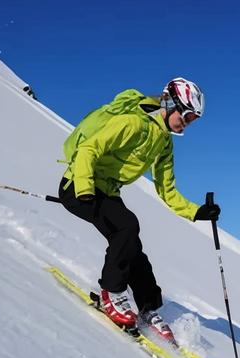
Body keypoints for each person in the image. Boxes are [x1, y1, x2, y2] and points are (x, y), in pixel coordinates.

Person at [57, 77, 220, 344]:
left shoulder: (164, 142)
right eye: (188, 116)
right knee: (127, 226)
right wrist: (84, 187)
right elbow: (89, 149)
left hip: (107, 192)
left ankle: (148, 307)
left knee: (131, 245)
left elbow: (166, 188)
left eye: (193, 120)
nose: (188, 123)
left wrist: (197, 212)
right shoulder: (132, 123)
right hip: (78, 185)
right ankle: (112, 292)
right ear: (170, 104)